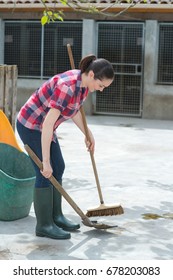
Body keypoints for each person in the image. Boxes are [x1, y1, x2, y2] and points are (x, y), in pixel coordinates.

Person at [16, 54, 114, 240]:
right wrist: (45, 161)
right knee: (46, 172)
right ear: (92, 74)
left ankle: (56, 217)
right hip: (31, 124)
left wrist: (88, 133)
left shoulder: (83, 86)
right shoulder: (66, 87)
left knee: (58, 167)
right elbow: (46, 124)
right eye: (101, 86)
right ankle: (44, 225)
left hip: (46, 127)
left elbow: (73, 110)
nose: (101, 90)